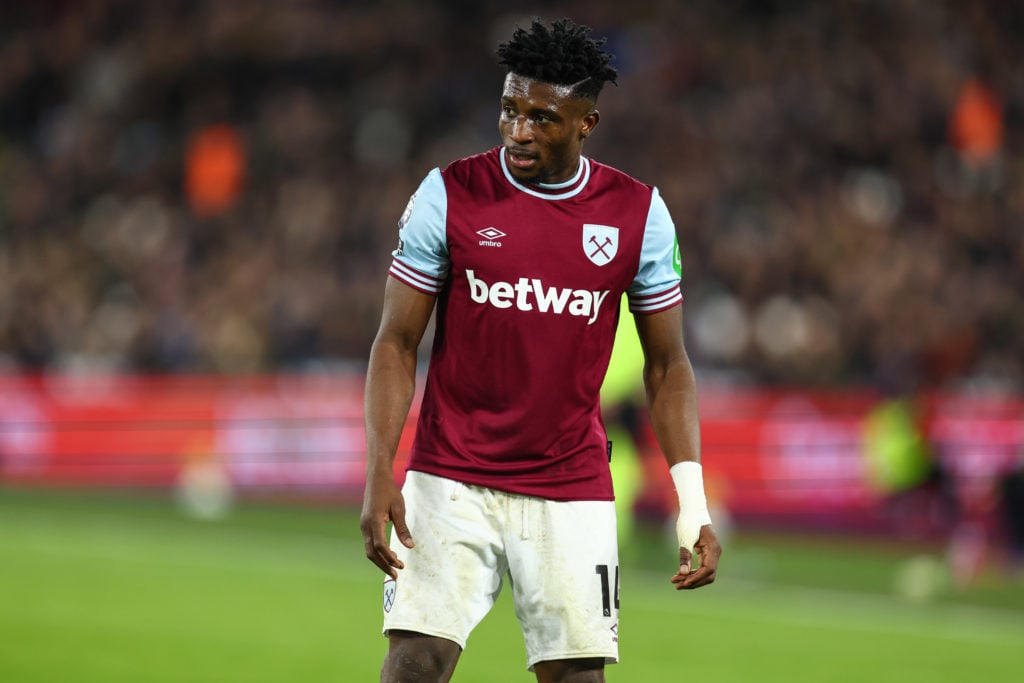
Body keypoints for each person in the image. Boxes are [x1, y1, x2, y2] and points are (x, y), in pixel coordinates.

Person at [360, 17, 721, 682]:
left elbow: (669, 366)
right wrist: (381, 465)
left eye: (543, 118)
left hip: (569, 486)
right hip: (449, 475)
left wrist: (691, 502)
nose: (519, 131)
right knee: (414, 662)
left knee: (577, 678)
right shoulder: (449, 195)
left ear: (588, 122)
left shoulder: (637, 215)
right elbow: (396, 340)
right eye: (509, 109)